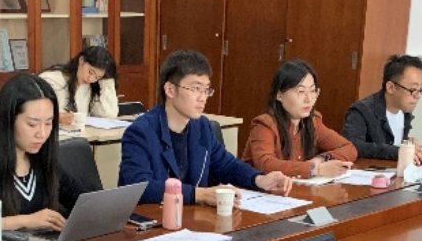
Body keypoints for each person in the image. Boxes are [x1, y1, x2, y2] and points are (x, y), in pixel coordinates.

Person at [119, 50, 292, 206]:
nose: (203, 98)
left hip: (191, 219)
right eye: (196, 89)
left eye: (206, 90)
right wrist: (200, 194)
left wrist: (259, 179)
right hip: (152, 221)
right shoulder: (141, 132)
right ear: (170, 90)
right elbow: (140, 187)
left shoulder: (201, 126)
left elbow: (227, 165)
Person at [0, 73, 87, 240]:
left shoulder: (41, 157)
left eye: (49, 123)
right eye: (32, 124)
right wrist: (25, 221)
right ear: (8, 120)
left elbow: (82, 200)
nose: (42, 134)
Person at [241, 59, 357, 178]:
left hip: (297, 187)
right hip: (259, 188)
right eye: (301, 92)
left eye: (312, 91)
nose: (308, 99)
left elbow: (349, 148)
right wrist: (315, 169)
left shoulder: (312, 122)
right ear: (279, 95)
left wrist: (321, 159)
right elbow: (266, 164)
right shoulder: (265, 124)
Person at [341, 54, 422, 164]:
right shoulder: (361, 111)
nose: (418, 96)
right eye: (413, 89)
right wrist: (398, 152)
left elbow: (393, 141)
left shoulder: (404, 111)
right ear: (390, 87)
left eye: (421, 89)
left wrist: (408, 144)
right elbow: (351, 146)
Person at [40, 45, 120, 125]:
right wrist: (56, 118)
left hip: (78, 132)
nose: (91, 79)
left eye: (97, 77)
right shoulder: (52, 80)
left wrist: (107, 80)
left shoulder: (89, 86)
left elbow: (109, 114)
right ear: (81, 60)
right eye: (90, 72)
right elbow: (36, 112)